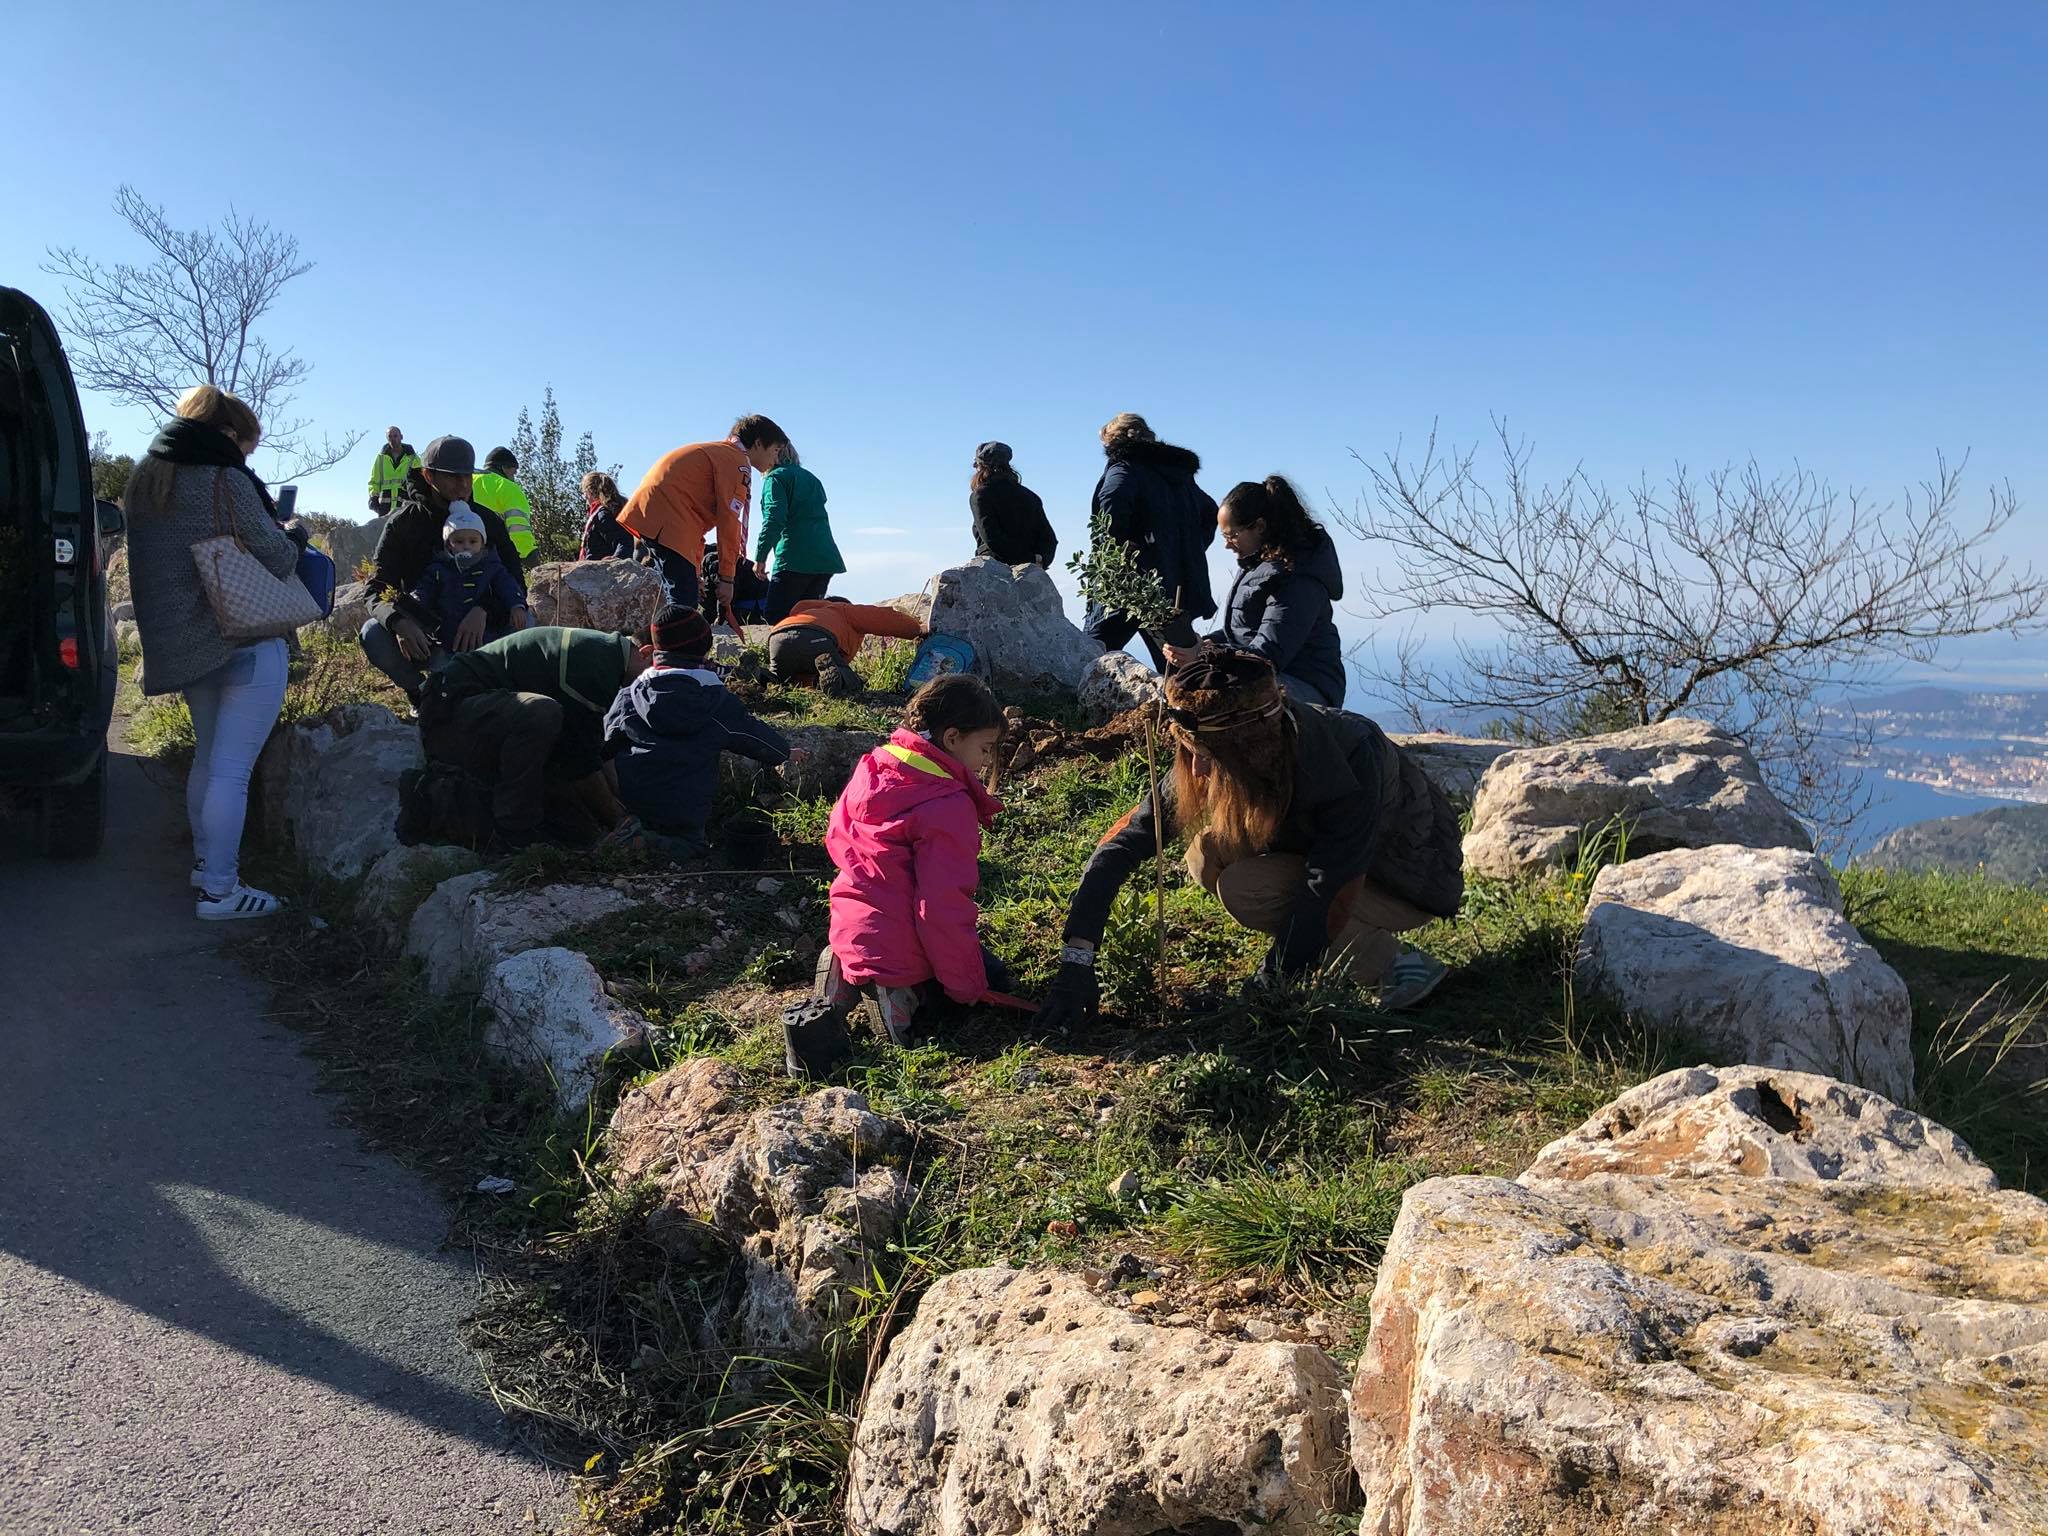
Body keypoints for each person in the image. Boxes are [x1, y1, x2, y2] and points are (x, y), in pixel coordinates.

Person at [1033, 647, 1463, 1029]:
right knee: (1207, 854)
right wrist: (1078, 958)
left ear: (1250, 752)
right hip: (1320, 854)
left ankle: (1396, 965)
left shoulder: (1349, 752)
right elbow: (1123, 843)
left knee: (1245, 888)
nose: (1198, 773)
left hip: (1405, 873)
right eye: (1192, 756)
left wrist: (1262, 991)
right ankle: (1324, 952)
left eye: (1208, 759)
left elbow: (1329, 886)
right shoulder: (1213, 746)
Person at [123, 385, 305, 919]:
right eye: (247, 447)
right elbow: (273, 556)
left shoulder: (145, 480)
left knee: (208, 760)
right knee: (231, 771)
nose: (247, 457)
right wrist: (295, 534)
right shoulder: (224, 478)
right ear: (226, 434)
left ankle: (207, 865)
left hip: (186, 644)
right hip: (243, 636)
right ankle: (221, 892)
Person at [809, 675, 1014, 1053]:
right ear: (952, 738)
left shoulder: (874, 767)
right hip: (900, 943)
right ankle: (898, 994)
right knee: (994, 978)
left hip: (849, 920)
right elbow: (940, 908)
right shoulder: (948, 806)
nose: (986, 761)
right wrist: (967, 986)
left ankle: (846, 964)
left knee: (871, 902)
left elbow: (837, 837)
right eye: (985, 748)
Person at [418, 624, 651, 850]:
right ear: (647, 654)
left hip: (486, 715)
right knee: (541, 711)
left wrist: (624, 805)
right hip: (449, 713)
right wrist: (620, 820)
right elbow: (581, 764)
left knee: (578, 822)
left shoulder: (607, 652)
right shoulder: (597, 664)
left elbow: (590, 748)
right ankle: (514, 831)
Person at [603, 604, 790, 855]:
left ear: (654, 648)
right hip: (683, 810)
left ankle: (627, 829)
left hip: (633, 801)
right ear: (705, 648)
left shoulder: (627, 696)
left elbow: (605, 746)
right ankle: (647, 844)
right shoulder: (715, 701)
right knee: (693, 847)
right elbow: (770, 747)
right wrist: (787, 751)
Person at [360, 435, 527, 700]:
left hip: (484, 633)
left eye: (467, 476)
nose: (462, 484)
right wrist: (399, 621)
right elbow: (377, 588)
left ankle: (496, 687)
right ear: (428, 476)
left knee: (526, 623)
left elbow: (516, 581)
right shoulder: (403, 523)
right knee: (373, 633)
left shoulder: (487, 522)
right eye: (452, 476)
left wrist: (484, 608)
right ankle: (420, 693)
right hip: (429, 637)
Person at [1164, 477, 1347, 707]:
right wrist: (1204, 644)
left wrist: (1203, 656)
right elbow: (1243, 632)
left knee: (1215, 700)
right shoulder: (1258, 565)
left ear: (1259, 527)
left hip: (1307, 686)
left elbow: (1268, 655)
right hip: (1269, 675)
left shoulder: (1298, 578)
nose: (1227, 545)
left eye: (1232, 535)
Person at [1084, 413, 1217, 670]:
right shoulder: (1178, 475)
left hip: (1132, 584)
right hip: (1176, 582)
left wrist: (1121, 552)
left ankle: (1079, 703)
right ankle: (1187, 705)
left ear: (1112, 442)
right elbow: (1210, 513)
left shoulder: (1125, 467)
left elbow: (1111, 501)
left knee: (1095, 650)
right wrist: (1189, 551)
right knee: (1178, 660)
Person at [618, 416, 788, 613]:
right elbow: (729, 522)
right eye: (775, 450)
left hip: (654, 515)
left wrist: (696, 570)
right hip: (670, 520)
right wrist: (727, 578)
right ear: (758, 444)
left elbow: (695, 519)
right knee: (683, 603)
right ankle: (676, 642)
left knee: (678, 592)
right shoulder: (736, 462)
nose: (776, 459)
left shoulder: (720, 452)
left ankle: (662, 638)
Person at [408, 506, 529, 650]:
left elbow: (509, 586)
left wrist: (516, 605)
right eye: (459, 542)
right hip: (448, 639)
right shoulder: (438, 570)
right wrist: (412, 603)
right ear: (448, 545)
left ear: (482, 543)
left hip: (488, 637)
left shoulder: (492, 568)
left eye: (473, 541)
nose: (466, 546)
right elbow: (424, 591)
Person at [754, 438, 845, 621]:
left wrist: (760, 558)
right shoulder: (811, 478)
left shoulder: (775, 478)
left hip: (793, 558)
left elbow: (774, 519)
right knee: (809, 617)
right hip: (825, 557)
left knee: (776, 616)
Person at [766, 597, 924, 698]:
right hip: (817, 636)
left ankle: (759, 674)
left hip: (777, 638)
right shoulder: (842, 610)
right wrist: (917, 629)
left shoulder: (807, 611)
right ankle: (839, 680)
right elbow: (885, 619)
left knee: (781, 680)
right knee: (853, 683)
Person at [969, 441, 1057, 567]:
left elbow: (992, 539)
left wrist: (1026, 559)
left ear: (980, 467)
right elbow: (1049, 538)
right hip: (1032, 571)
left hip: (993, 569)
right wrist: (1039, 560)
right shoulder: (1030, 496)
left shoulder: (981, 496)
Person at [470, 446, 538, 560]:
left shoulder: (466, 480)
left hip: (460, 547)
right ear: (504, 468)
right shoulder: (508, 487)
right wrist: (528, 554)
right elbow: (518, 527)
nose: (514, 477)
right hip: (494, 555)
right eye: (513, 473)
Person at [578, 470, 637, 561]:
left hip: (599, 571)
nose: (585, 499)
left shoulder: (603, 515)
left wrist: (617, 559)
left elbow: (624, 541)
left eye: (584, 494)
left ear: (590, 492)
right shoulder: (611, 510)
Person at [367, 426, 419, 514]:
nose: (392, 439)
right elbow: (374, 481)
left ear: (401, 437)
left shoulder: (413, 458)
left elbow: (419, 481)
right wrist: (373, 497)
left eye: (395, 436)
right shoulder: (381, 458)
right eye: (390, 436)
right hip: (384, 507)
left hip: (406, 506)